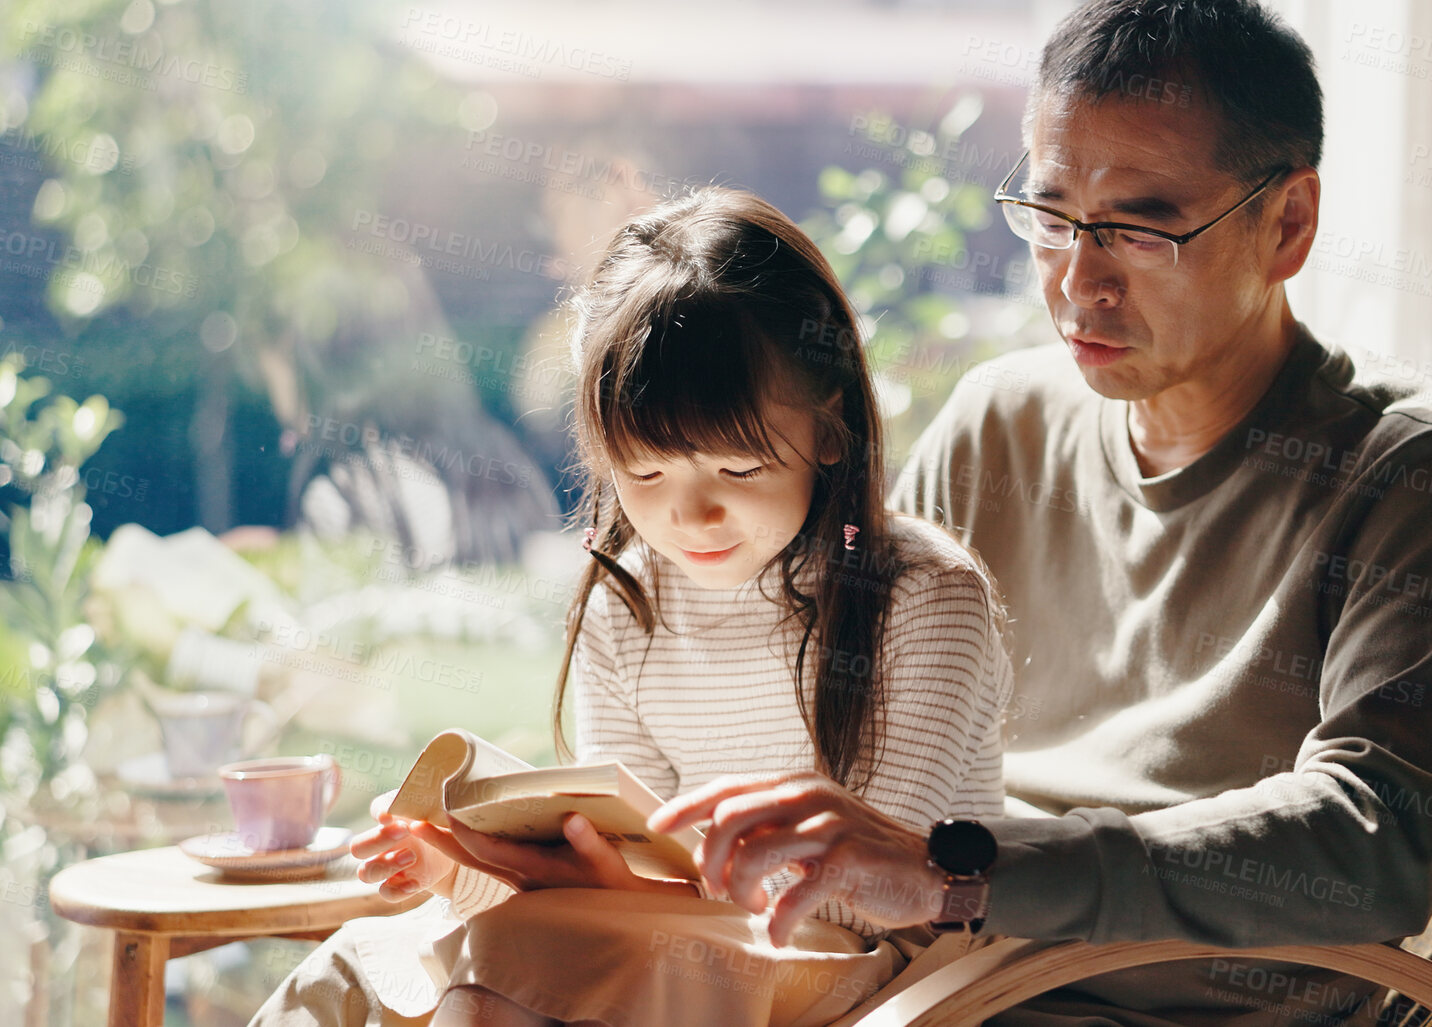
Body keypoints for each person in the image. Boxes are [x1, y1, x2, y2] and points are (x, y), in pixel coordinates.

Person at [646, 2, 1432, 1024]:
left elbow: (1374, 843)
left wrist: (961, 872)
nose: (1079, 281)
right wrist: (615, 833)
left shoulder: (1424, 477)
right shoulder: (1003, 422)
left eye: (1143, 227)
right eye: (1054, 218)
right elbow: (818, 674)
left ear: (1288, 223)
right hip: (910, 975)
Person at [251, 188, 1012, 1027]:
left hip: (866, 969)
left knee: (523, 962)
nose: (689, 515)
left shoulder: (920, 595)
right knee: (354, 965)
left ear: (829, 431)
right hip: (671, 937)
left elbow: (874, 896)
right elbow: (624, 862)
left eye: (738, 471)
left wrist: (635, 891)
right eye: (645, 475)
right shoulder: (628, 599)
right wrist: (465, 866)